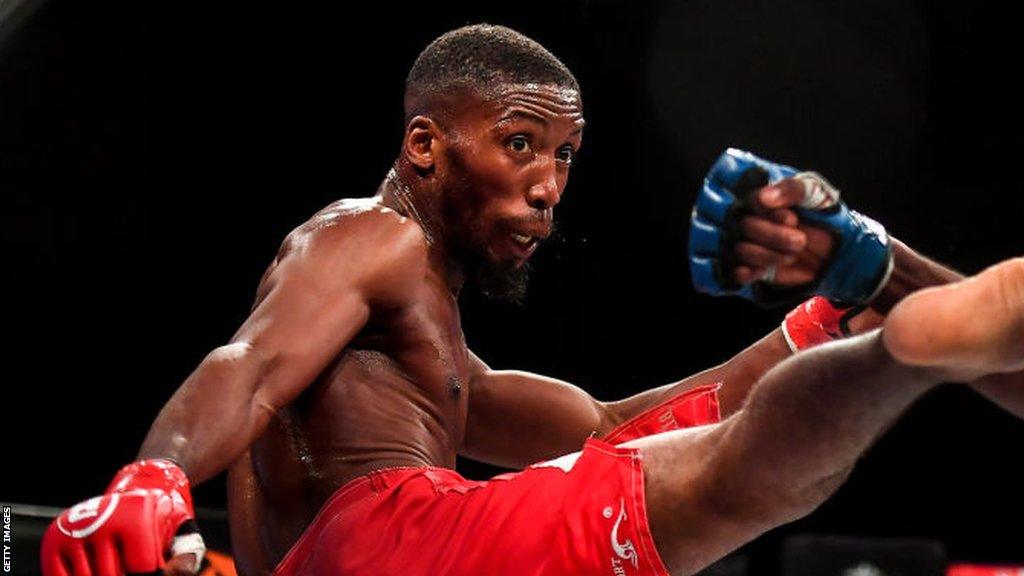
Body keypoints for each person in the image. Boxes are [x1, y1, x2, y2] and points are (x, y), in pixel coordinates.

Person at [40, 24, 1024, 576]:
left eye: (562, 156)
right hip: (386, 538)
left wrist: (810, 323)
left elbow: (613, 428)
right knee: (743, 476)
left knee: (685, 456)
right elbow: (249, 364)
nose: (548, 185)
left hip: (369, 552)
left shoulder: (430, 362)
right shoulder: (361, 235)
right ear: (426, 146)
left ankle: (878, 335)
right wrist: (155, 475)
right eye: (519, 145)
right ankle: (899, 354)